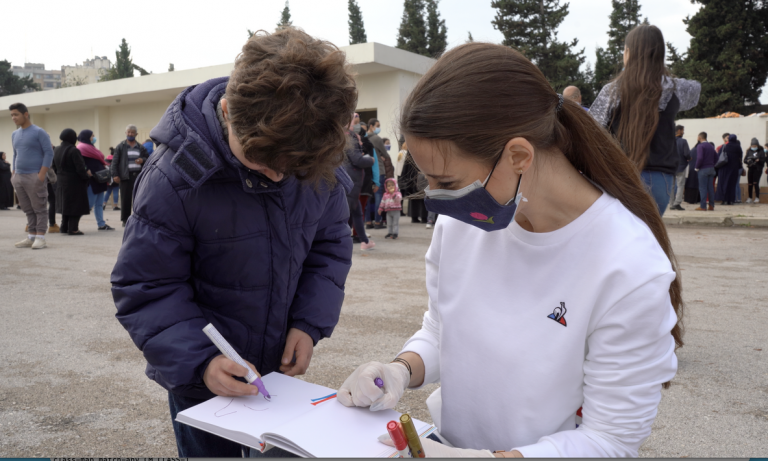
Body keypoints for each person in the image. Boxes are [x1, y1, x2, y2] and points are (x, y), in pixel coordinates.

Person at [338, 41, 682, 458]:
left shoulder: (627, 264)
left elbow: (610, 439)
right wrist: (399, 370)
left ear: (518, 155)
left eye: (447, 182)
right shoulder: (463, 223)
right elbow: (443, 329)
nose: (437, 199)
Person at [111, 28, 356, 458]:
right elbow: (146, 285)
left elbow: (330, 246)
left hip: (276, 376)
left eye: (292, 169)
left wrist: (308, 324)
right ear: (226, 112)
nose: (278, 176)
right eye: (262, 161)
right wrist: (200, 361)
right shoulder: (174, 179)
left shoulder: (312, 159)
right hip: (202, 380)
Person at [590, 25, 700, 217]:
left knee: (620, 242)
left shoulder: (612, 91)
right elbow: (696, 89)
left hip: (621, 178)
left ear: (628, 52)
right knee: (650, 238)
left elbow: (589, 130)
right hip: (662, 180)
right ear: (660, 55)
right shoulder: (673, 89)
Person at [9, 102, 55, 249]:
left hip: (34, 176)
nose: (13, 118)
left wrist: (41, 174)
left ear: (26, 114)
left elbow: (49, 152)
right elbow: (16, 154)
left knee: (39, 207)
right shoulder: (14, 134)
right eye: (11, 115)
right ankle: (31, 236)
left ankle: (40, 237)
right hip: (19, 177)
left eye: (16, 114)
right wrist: (14, 173)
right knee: (27, 208)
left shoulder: (39, 132)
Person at [343, 115, 376, 250]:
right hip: (352, 179)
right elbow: (357, 160)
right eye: (355, 121)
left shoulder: (338, 135)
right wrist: (370, 160)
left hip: (345, 178)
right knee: (349, 212)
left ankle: (363, 240)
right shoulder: (349, 136)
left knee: (354, 211)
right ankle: (356, 241)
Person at [54, 129, 91, 236]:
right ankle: (73, 229)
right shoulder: (74, 150)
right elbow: (80, 168)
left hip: (61, 182)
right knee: (76, 206)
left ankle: (64, 227)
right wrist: (86, 177)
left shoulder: (56, 149)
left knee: (66, 205)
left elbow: (54, 166)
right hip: (74, 182)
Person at [110, 124, 149, 226]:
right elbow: (114, 162)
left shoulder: (140, 147)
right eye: (128, 132)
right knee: (125, 199)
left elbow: (148, 159)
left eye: (132, 132)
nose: (130, 134)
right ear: (126, 133)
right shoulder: (120, 147)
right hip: (125, 176)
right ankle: (125, 220)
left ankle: (138, 218)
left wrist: (142, 160)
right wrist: (115, 175)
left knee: (138, 198)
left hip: (138, 176)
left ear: (136, 134)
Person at [77, 130, 114, 231]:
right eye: (92, 136)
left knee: (99, 204)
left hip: (100, 179)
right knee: (89, 204)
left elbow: (99, 159)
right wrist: (86, 170)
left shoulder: (91, 147)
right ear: (87, 136)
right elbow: (79, 162)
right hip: (91, 179)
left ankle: (101, 224)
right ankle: (72, 223)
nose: (93, 137)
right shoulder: (81, 148)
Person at [365, 119, 391, 229]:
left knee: (367, 198)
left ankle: (368, 222)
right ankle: (378, 221)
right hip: (379, 169)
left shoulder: (364, 138)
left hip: (367, 170)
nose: (379, 127)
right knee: (378, 196)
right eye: (377, 125)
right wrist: (382, 155)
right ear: (371, 126)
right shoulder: (377, 139)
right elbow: (385, 153)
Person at [694, 132, 717, 211]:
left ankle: (703, 206)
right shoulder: (710, 146)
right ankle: (711, 205)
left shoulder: (700, 146)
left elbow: (700, 158)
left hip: (703, 169)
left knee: (703, 188)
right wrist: (712, 164)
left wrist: (697, 167)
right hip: (711, 168)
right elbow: (716, 157)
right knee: (710, 187)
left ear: (700, 137)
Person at [669, 125, 690, 211]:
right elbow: (687, 154)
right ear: (679, 130)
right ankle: (677, 203)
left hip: (671, 166)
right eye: (682, 130)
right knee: (680, 185)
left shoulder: (670, 141)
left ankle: (671, 203)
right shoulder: (683, 141)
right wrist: (689, 158)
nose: (683, 132)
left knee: (672, 186)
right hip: (681, 166)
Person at [720, 134, 743, 205]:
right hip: (734, 168)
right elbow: (740, 156)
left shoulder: (726, 146)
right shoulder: (737, 146)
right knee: (733, 184)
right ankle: (731, 200)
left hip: (726, 167)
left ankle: (724, 200)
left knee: (725, 183)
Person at [744, 138, 765, 204]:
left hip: (757, 169)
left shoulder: (761, 151)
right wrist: (748, 161)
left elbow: (763, 161)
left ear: (757, 145)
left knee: (755, 183)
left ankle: (757, 197)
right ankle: (750, 197)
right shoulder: (749, 151)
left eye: (755, 146)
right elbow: (745, 160)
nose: (753, 147)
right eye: (752, 146)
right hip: (750, 168)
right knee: (750, 183)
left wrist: (758, 160)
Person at [715, 133, 729, 202]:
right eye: (727, 137)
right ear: (723, 139)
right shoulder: (720, 147)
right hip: (721, 167)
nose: (728, 138)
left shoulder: (732, 146)